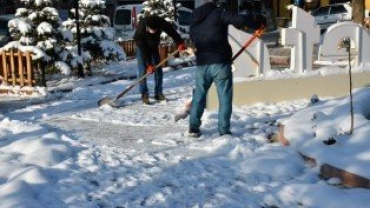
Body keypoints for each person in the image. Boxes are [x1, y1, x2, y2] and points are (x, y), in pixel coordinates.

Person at [188, 0, 266, 137]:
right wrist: (257, 23)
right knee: (224, 98)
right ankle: (223, 131)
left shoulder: (194, 19)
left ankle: (193, 128)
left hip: (202, 64)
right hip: (220, 63)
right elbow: (239, 19)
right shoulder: (218, 13)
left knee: (199, 96)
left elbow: (194, 40)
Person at [133, 15, 186, 104]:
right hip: (142, 47)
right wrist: (149, 64)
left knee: (158, 70)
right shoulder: (141, 29)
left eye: (155, 31)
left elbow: (171, 31)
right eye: (151, 30)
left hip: (154, 47)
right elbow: (143, 48)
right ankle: (144, 94)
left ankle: (158, 93)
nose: (153, 32)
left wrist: (180, 42)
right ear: (147, 27)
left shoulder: (161, 22)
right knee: (143, 71)